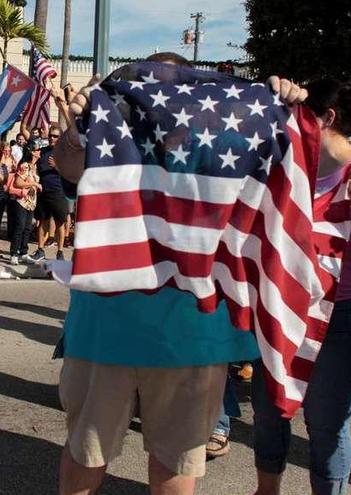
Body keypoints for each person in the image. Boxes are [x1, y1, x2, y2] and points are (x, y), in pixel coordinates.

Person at [51, 52, 301, 495]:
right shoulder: (116, 132)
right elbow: (71, 168)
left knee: (176, 460)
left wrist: (287, 108)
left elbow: (302, 172)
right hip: (109, 326)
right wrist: (74, 131)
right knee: (87, 451)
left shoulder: (234, 143)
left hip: (191, 334)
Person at [251, 78, 351, 495]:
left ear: (327, 118)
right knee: (268, 412)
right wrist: (272, 93)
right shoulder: (289, 163)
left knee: (326, 424)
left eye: (301, 115)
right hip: (282, 308)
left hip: (345, 317)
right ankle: (267, 490)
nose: (291, 122)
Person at [32, 124, 69, 262]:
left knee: (60, 222)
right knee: (42, 221)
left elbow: (70, 173)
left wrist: (57, 167)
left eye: (55, 136)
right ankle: (40, 250)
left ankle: (59, 252)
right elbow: (32, 170)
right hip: (43, 191)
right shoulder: (41, 152)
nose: (52, 138)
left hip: (59, 191)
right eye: (50, 136)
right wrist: (33, 161)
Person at [8, 142, 42, 265]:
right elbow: (17, 182)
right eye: (38, 149)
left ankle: (24, 252)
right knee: (20, 227)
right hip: (22, 201)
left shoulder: (35, 167)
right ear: (32, 152)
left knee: (27, 228)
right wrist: (34, 184)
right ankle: (14, 253)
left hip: (31, 202)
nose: (40, 152)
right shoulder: (25, 166)